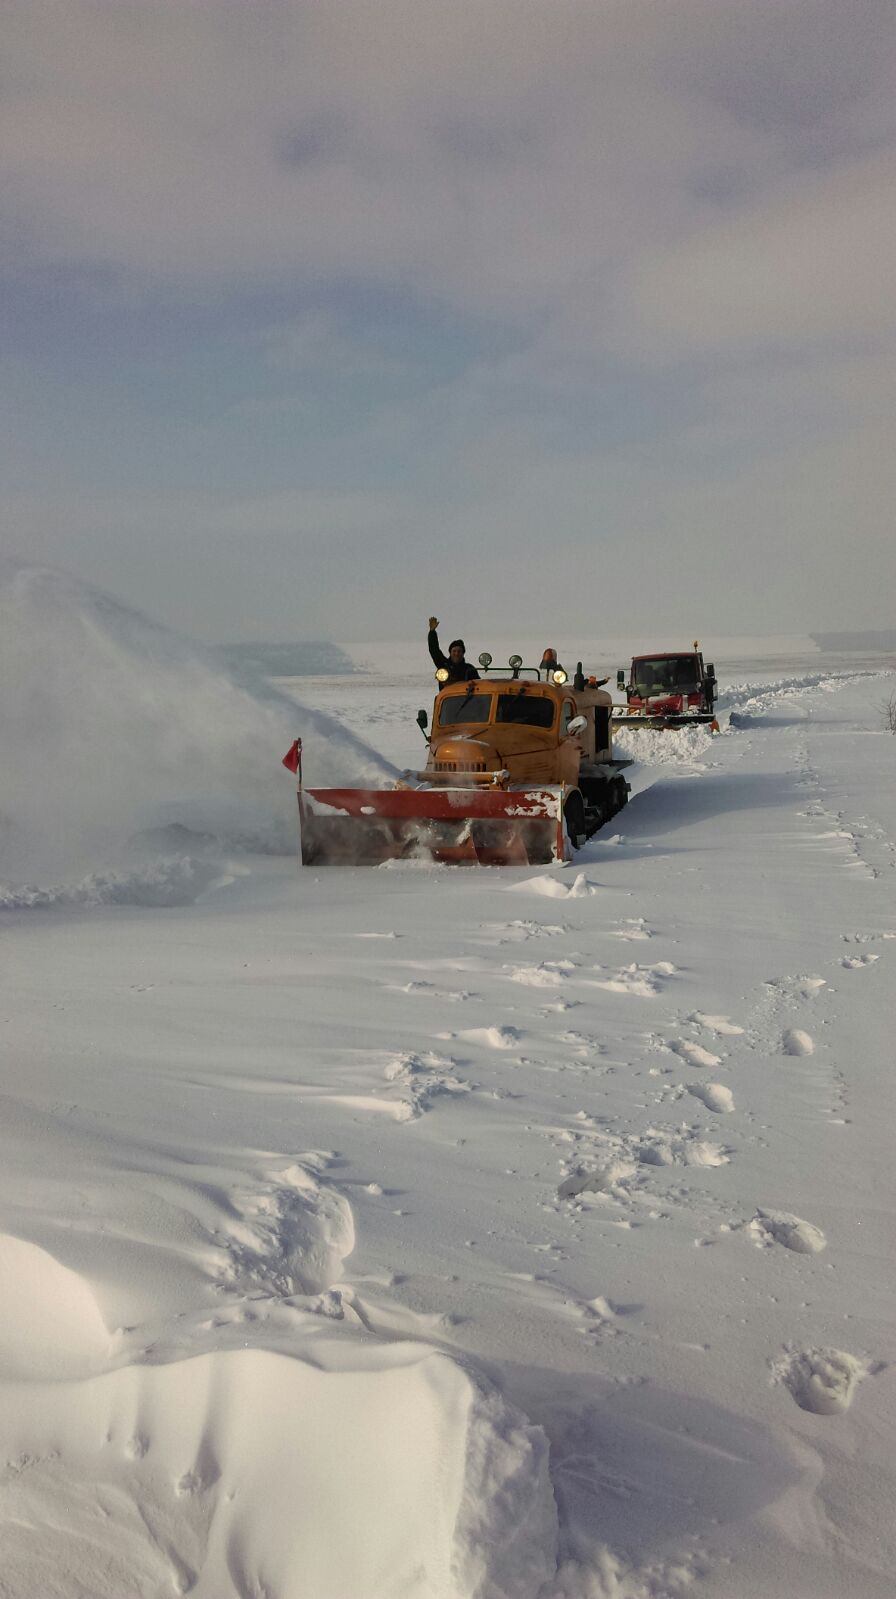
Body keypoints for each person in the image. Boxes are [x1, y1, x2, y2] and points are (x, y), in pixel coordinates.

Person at [427, 616, 480, 687]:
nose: (456, 653)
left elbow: (479, 685)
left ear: (463, 653)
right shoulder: (444, 665)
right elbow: (434, 650)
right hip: (447, 694)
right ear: (450, 652)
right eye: (454, 651)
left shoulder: (469, 669)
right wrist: (432, 632)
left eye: (459, 651)